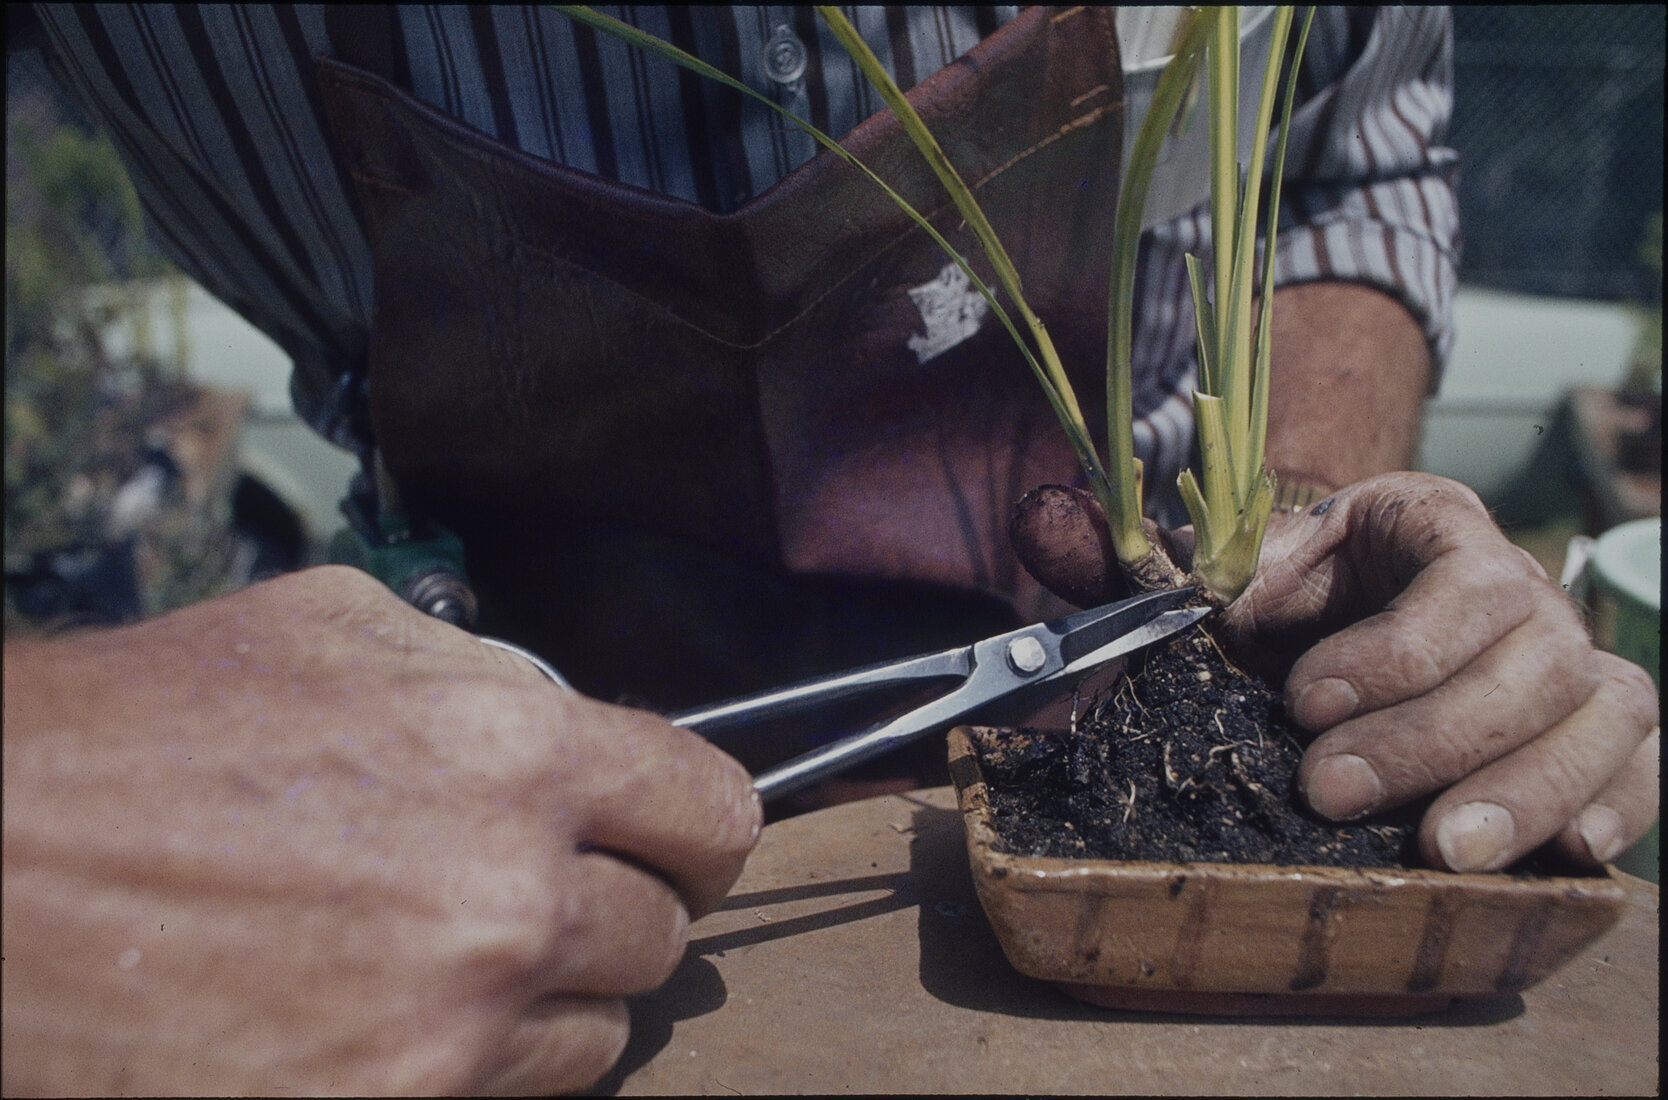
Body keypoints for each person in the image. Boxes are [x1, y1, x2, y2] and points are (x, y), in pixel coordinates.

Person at [4, 6, 1657, 1094]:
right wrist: (43, 800)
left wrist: (1302, 543)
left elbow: (1346, 167)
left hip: (1142, 701)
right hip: (419, 828)